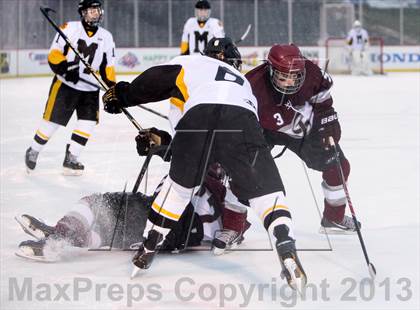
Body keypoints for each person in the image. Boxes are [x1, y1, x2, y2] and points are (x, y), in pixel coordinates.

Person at [102, 37, 307, 290]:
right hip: (242, 120)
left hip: (199, 116)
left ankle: (149, 246)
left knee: (178, 189)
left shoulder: (193, 62)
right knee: (267, 194)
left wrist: (122, 95)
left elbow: (156, 81)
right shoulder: (244, 84)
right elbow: (228, 147)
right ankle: (285, 244)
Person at [15, 164, 249, 261]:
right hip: (172, 227)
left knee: (95, 203)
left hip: (172, 219)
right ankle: (59, 240)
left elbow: (233, 229)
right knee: (112, 234)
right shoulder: (218, 183)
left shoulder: (221, 190)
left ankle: (59, 235)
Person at [245, 43, 360, 234]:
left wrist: (327, 123)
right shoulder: (252, 84)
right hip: (263, 130)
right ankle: (233, 222)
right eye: (284, 77)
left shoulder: (314, 74)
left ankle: (334, 217)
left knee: (337, 166)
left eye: (295, 76)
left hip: (302, 130)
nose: (291, 82)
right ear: (271, 70)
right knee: (242, 170)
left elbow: (323, 106)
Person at [24, 0, 116, 176]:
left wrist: (113, 89)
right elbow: (54, 54)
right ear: (82, 12)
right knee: (53, 122)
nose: (95, 13)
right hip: (66, 86)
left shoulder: (107, 36)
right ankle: (33, 150)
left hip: (90, 89)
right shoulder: (69, 28)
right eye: (91, 10)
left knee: (88, 123)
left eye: (97, 10)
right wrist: (65, 69)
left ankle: (71, 158)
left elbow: (108, 68)